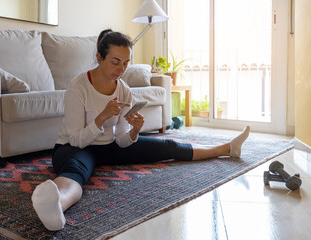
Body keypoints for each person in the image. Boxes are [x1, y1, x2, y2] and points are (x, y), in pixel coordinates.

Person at [31, 29, 251, 231]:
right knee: (76, 170)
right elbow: (77, 140)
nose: (121, 69)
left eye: (126, 63)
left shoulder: (124, 90)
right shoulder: (78, 87)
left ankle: (228, 148)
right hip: (74, 148)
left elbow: (122, 140)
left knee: (168, 146)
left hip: (109, 146)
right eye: (115, 62)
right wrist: (102, 117)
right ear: (99, 58)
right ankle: (56, 205)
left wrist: (134, 132)